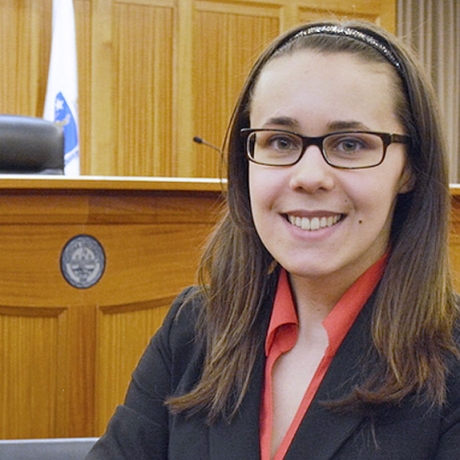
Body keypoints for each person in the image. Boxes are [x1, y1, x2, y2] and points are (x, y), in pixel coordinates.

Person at [87, 19, 460, 459]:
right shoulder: (192, 328)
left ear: (410, 168)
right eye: (281, 142)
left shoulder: (452, 366)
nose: (309, 176)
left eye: (350, 144)